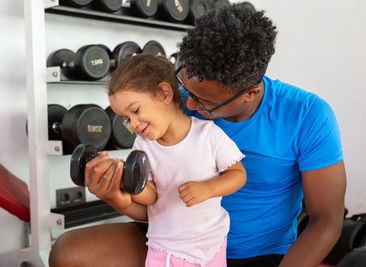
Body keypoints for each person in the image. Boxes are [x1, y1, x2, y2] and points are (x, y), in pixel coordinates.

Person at [49, 4, 346, 267]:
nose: (189, 105)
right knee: (69, 253)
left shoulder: (307, 114)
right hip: (174, 239)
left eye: (203, 101)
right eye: (185, 88)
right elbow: (157, 208)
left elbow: (326, 221)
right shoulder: (169, 108)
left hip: (257, 254)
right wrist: (117, 197)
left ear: (250, 92)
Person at [51, 53, 247, 267]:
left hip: (212, 244)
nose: (133, 123)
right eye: (127, 119)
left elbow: (238, 174)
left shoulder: (208, 135)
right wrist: (125, 184)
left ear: (164, 93)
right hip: (167, 250)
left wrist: (208, 189)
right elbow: (151, 194)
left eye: (135, 110)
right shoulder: (144, 145)